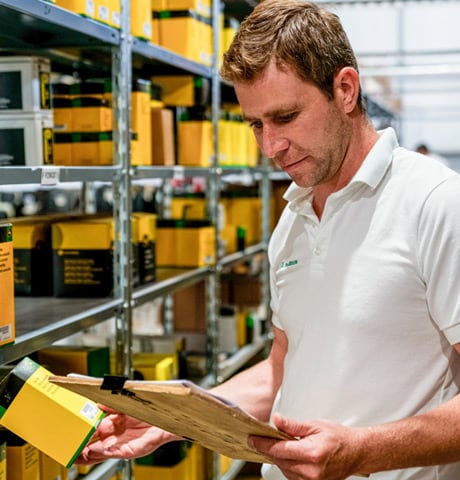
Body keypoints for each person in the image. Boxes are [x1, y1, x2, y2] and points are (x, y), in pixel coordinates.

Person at [77, 1, 460, 479]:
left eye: (286, 117)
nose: (270, 146)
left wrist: (361, 452)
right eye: (256, 124)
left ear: (345, 89)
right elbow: (281, 367)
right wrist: (174, 419)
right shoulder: (293, 216)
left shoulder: (436, 203)